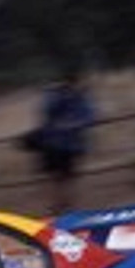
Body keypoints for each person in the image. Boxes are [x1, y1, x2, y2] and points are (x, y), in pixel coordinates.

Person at [27, 71, 96, 215]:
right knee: (55, 178)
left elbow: (91, 117)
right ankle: (57, 207)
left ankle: (66, 207)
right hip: (53, 143)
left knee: (66, 178)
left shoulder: (80, 97)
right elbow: (46, 110)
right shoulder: (55, 95)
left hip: (67, 144)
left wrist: (74, 124)